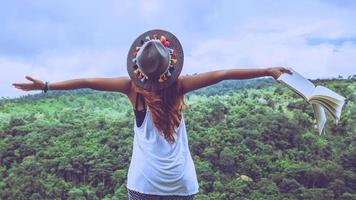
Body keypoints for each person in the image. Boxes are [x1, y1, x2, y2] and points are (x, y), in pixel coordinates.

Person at [12, 29, 292, 200]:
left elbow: (87, 81)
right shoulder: (180, 86)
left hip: (144, 184)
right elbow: (221, 75)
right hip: (182, 185)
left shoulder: (132, 90)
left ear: (139, 69)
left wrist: (47, 86)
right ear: (171, 66)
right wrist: (267, 71)